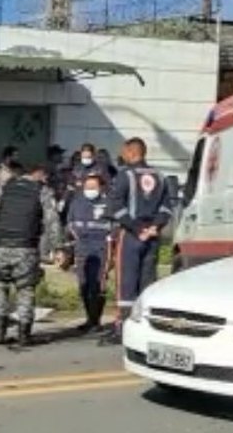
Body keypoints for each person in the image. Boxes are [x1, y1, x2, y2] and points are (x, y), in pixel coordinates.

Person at [0, 163, 63, 346]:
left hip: (0, 246)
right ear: (39, 175)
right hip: (25, 248)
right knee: (25, 290)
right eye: (45, 177)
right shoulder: (42, 191)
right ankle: (24, 334)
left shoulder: (6, 187)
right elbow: (52, 220)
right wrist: (58, 247)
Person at [103, 137, 173, 344]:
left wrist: (137, 228)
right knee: (147, 282)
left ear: (132, 153)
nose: (121, 156)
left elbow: (116, 206)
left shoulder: (125, 175)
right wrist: (155, 227)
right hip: (152, 237)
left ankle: (124, 327)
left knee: (126, 283)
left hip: (131, 235)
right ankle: (144, 326)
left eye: (124, 152)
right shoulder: (160, 176)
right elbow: (167, 207)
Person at [64, 174, 112, 333]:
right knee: (84, 284)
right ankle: (89, 319)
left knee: (98, 284)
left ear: (101, 187)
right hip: (82, 248)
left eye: (93, 187)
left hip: (101, 248)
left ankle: (96, 320)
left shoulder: (108, 204)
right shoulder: (77, 203)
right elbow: (70, 223)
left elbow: (116, 226)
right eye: (87, 187)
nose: (90, 190)